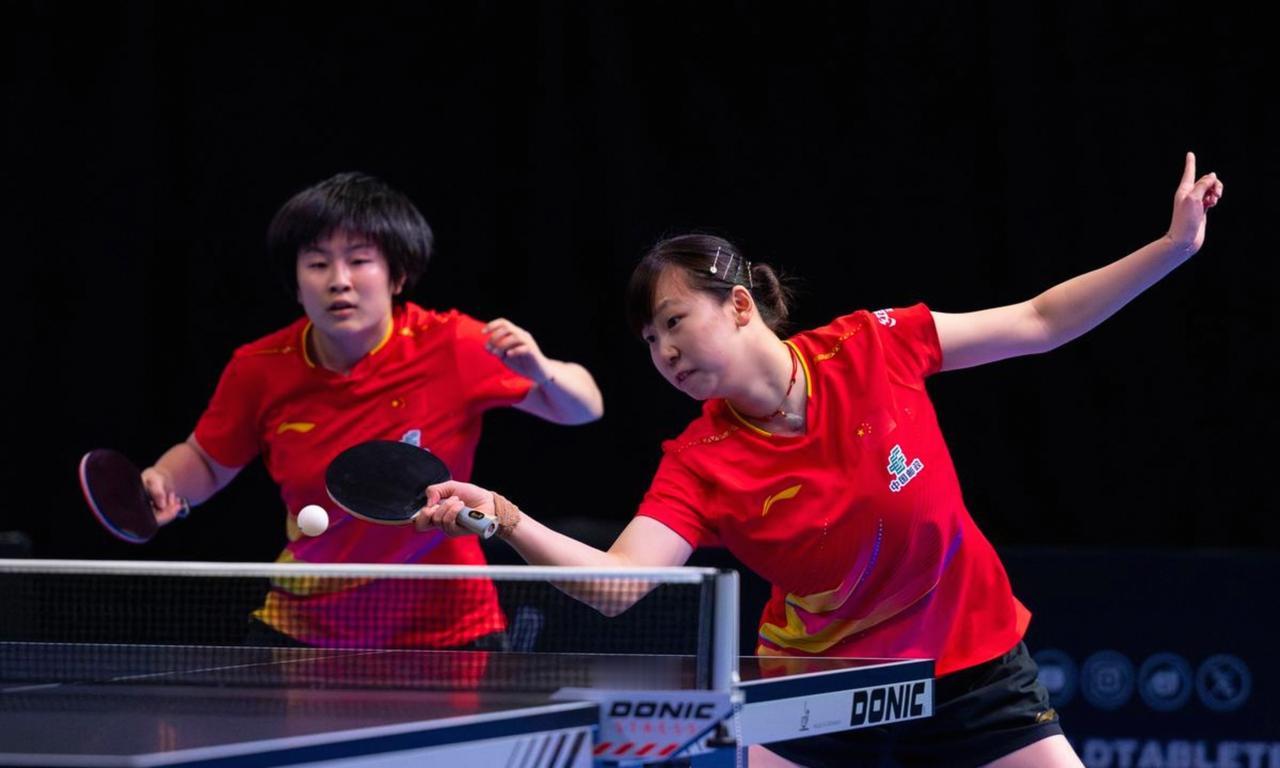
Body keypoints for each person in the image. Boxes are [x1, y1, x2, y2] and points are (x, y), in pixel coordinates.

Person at [414, 153, 1222, 766]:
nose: (664, 352)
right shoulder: (698, 460)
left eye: (674, 323)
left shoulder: (873, 345)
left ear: (738, 305)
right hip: (820, 693)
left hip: (969, 661)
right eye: (650, 341)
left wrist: (1171, 248)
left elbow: (1040, 320)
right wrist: (507, 517)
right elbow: (623, 585)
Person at [141, 171, 604, 650]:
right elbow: (206, 460)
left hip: (450, 628)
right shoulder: (259, 368)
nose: (338, 281)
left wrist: (543, 370)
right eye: (317, 264)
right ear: (296, 283)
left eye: (359, 261)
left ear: (397, 276)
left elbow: (585, 408)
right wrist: (164, 481)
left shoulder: (451, 344)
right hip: (305, 627)